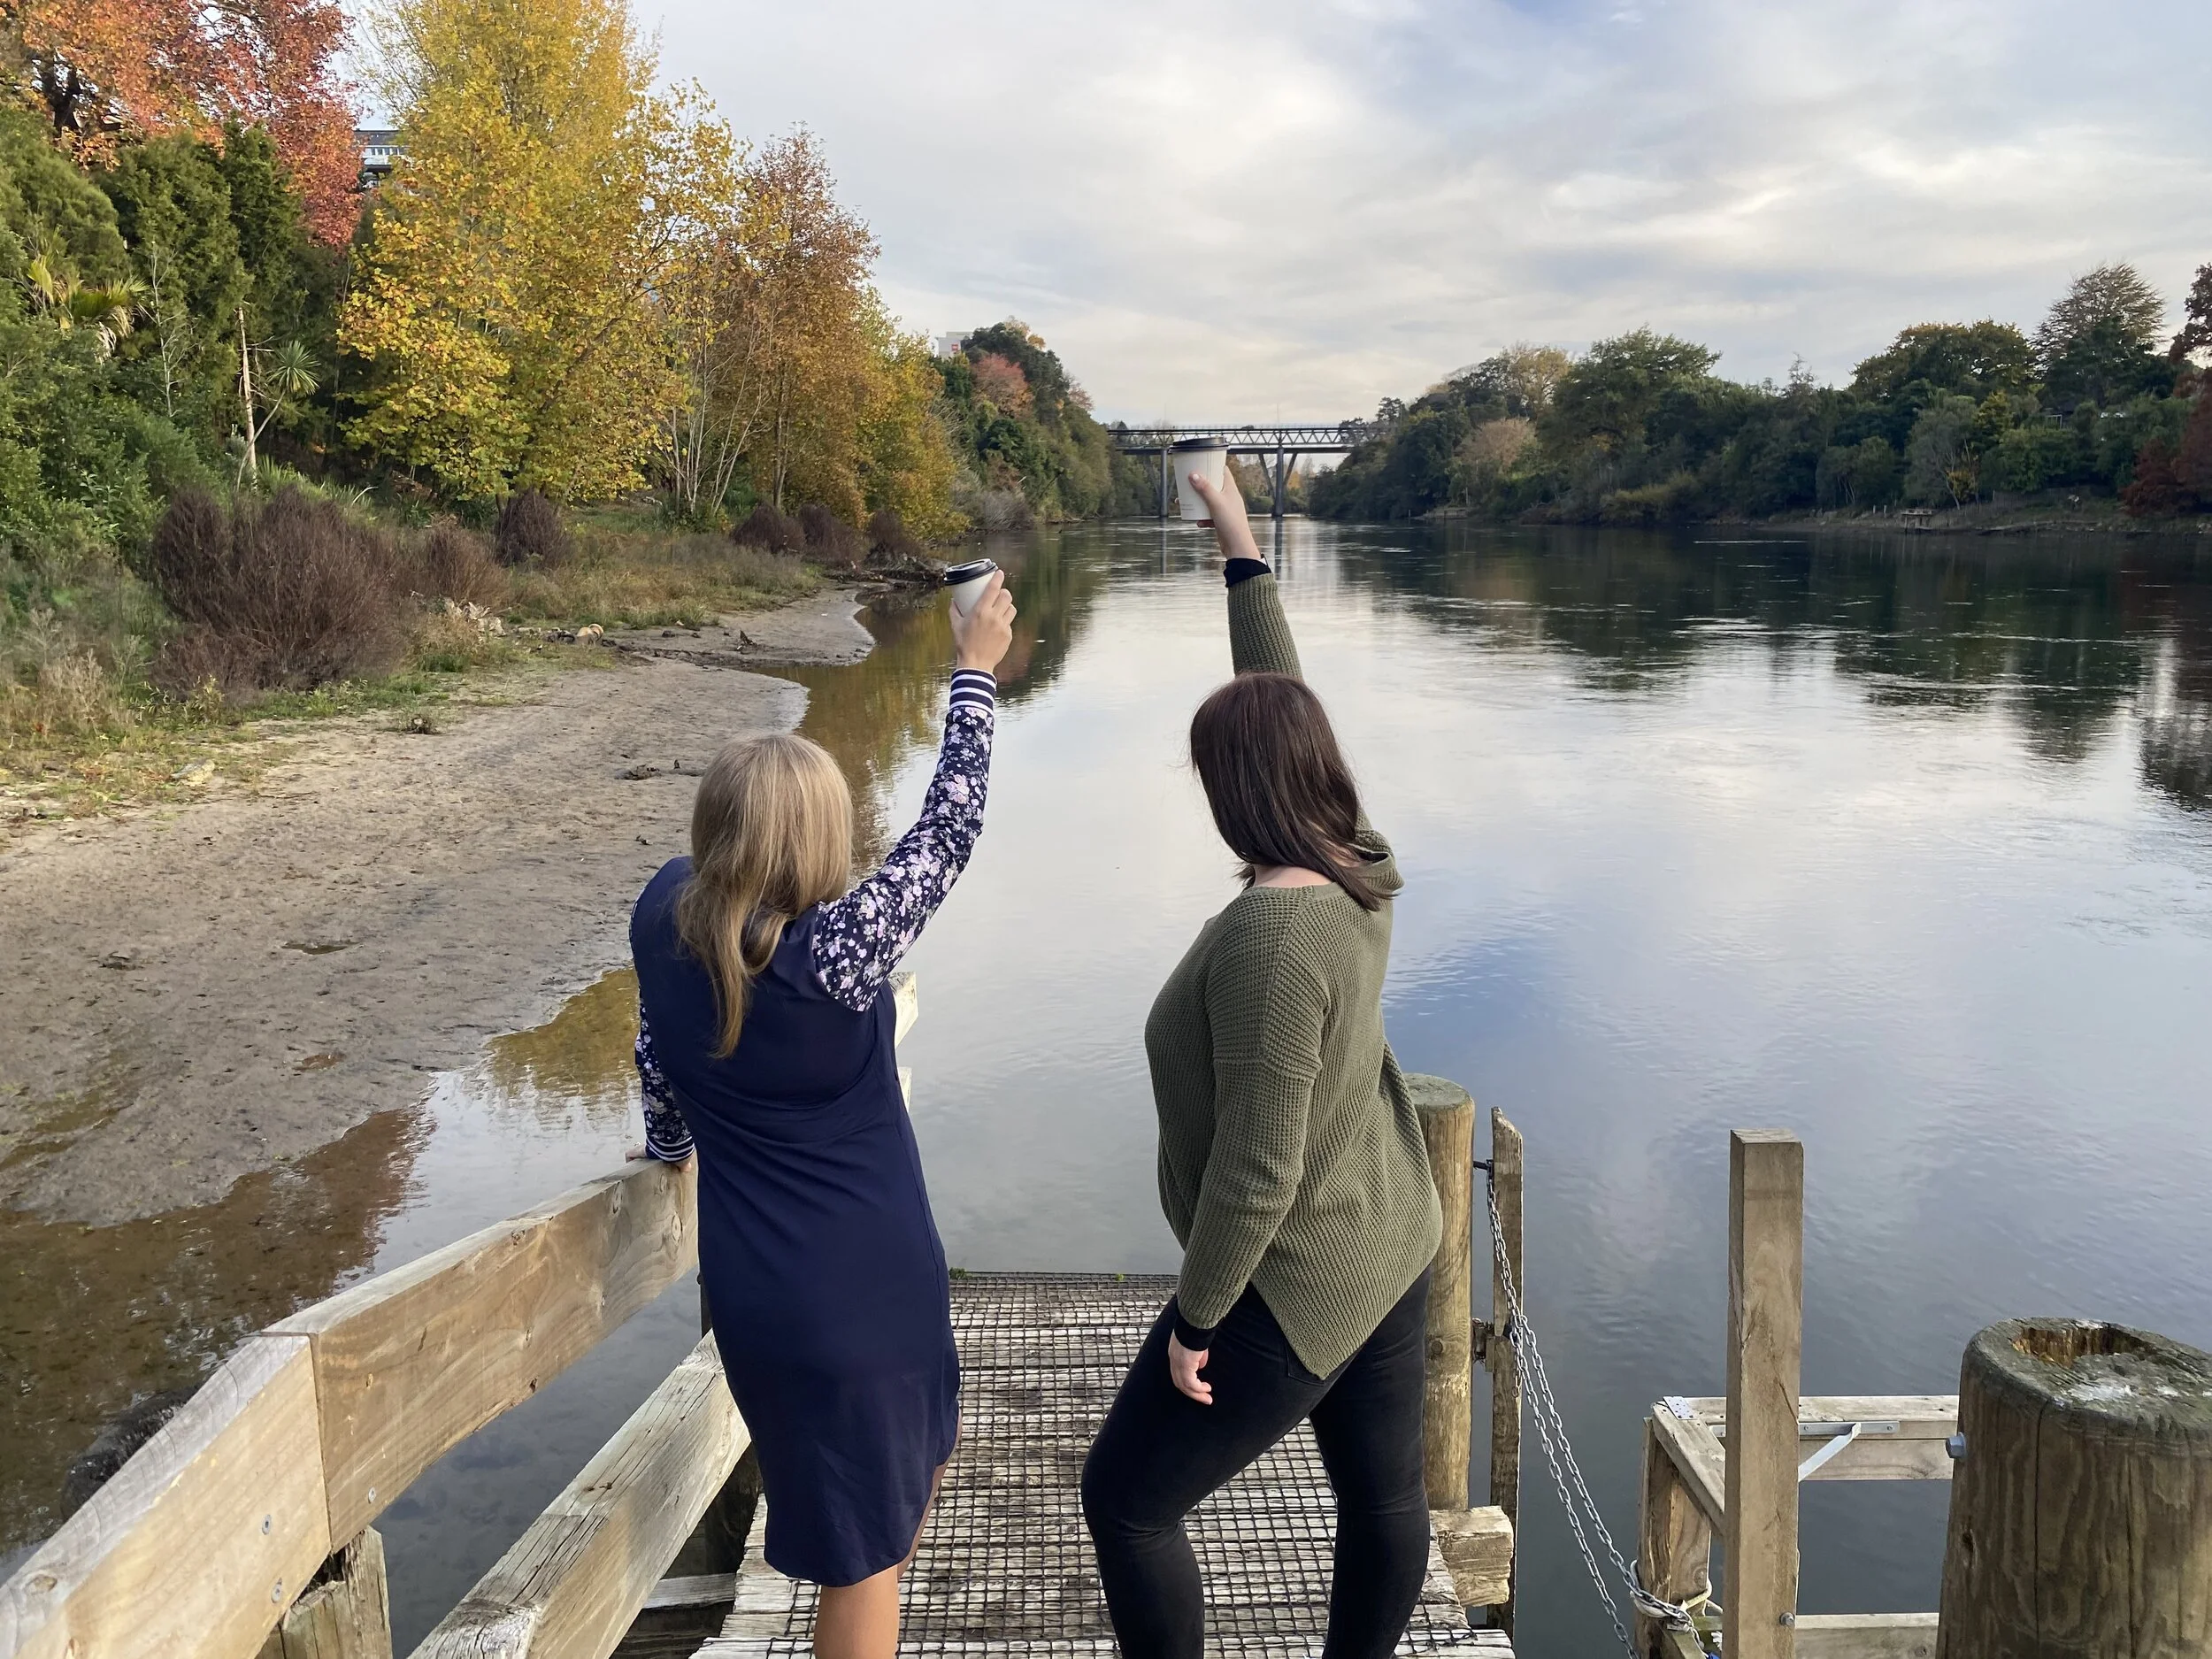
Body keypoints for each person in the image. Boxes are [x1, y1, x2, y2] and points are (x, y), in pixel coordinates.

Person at [1080, 472, 1443, 1659]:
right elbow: (1277, 697)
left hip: (1286, 1278)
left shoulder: (1273, 941)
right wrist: (1240, 541)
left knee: (1127, 1500)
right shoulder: (1356, 858)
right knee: (1383, 1500)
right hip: (1390, 1234)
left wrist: (1195, 1317)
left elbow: (1255, 1166)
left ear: (1237, 792)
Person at [629, 573, 1017, 1659]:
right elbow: (947, 830)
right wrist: (973, 671)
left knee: (884, 1508)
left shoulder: (664, 916)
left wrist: (665, 1145)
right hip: (864, 1287)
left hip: (765, 1292)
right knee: (864, 1563)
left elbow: (657, 1049)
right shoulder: (835, 955)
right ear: (816, 841)